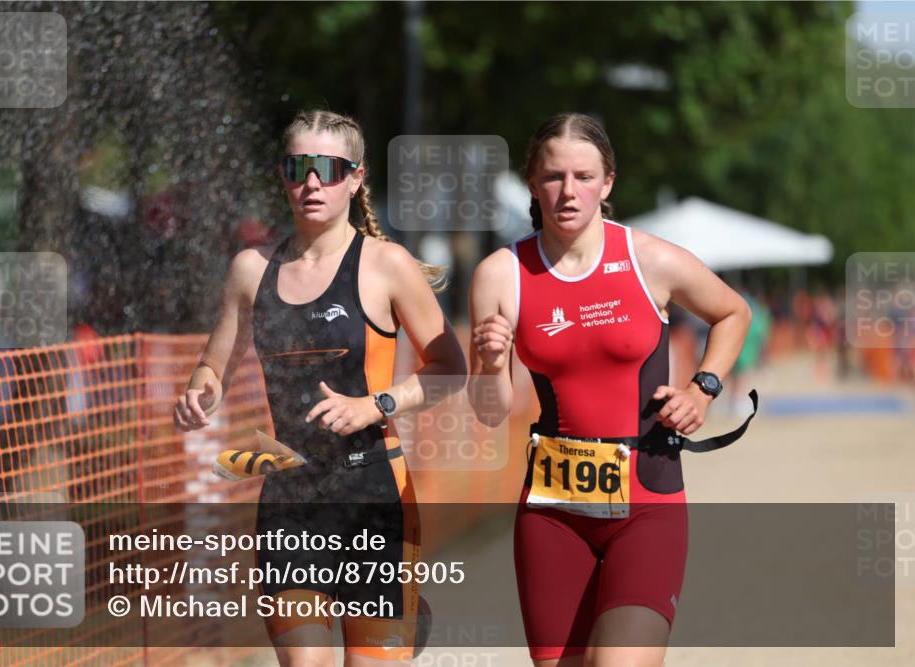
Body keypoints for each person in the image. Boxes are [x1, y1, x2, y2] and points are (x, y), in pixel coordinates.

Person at [174, 109, 467, 666]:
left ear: (355, 179)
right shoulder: (250, 269)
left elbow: (451, 367)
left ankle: (401, 617)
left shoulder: (385, 264)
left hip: (374, 497)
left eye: (329, 169)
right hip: (289, 501)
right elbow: (213, 367)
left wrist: (375, 405)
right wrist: (200, 391)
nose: (312, 182)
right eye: (299, 167)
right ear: (282, 174)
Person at [467, 113, 753, 667]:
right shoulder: (501, 275)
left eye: (583, 176)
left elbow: (732, 312)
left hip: (647, 506)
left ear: (608, 183)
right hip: (553, 515)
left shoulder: (648, 259)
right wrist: (488, 362)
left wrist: (703, 389)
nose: (568, 191)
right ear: (532, 183)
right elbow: (490, 411)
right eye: (553, 177)